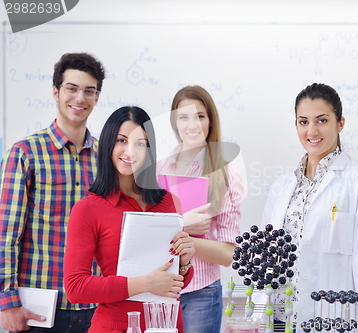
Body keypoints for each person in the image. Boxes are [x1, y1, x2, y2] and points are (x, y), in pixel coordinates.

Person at [261, 83, 358, 332]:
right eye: (303, 121)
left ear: (340, 123)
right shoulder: (282, 187)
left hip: (329, 318)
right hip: (280, 320)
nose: (312, 130)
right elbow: (267, 260)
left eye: (322, 120)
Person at [64, 106, 195, 333]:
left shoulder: (171, 202)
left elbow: (176, 283)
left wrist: (184, 263)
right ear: (107, 145)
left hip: (169, 326)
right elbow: (76, 288)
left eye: (140, 143)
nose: (130, 152)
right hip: (116, 326)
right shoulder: (87, 209)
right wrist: (145, 284)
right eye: (122, 140)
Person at [0, 53, 105, 332]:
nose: (79, 98)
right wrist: (6, 301)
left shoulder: (106, 158)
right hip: (39, 308)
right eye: (71, 88)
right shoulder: (24, 153)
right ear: (56, 92)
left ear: (96, 97)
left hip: (96, 306)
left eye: (89, 91)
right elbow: (6, 233)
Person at [157, 86, 243, 333]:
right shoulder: (157, 171)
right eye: (184, 116)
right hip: (161, 287)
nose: (192, 124)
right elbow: (145, 231)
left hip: (201, 294)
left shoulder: (226, 175)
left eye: (200, 116)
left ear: (210, 121)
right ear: (174, 122)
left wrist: (184, 239)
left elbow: (229, 254)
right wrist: (182, 225)